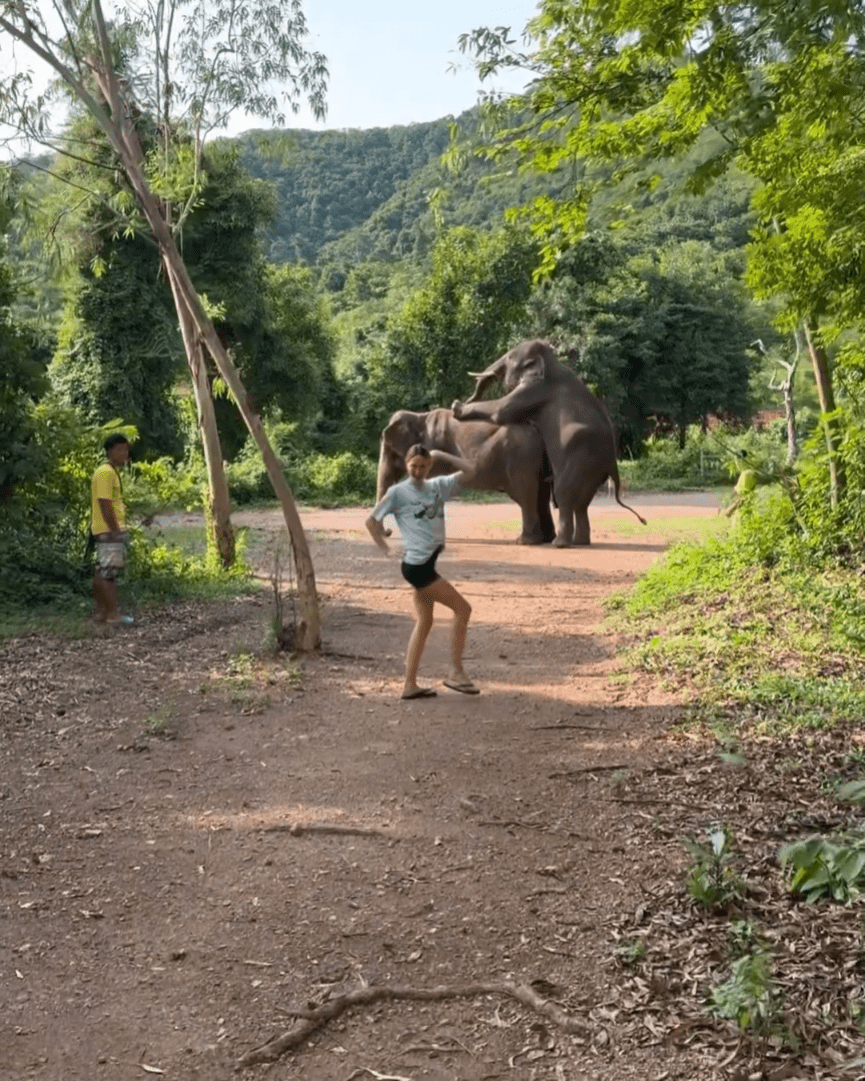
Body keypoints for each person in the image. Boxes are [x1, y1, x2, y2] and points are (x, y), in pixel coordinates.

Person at [366, 444, 480, 700]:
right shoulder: (398, 492)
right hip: (417, 567)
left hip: (427, 563)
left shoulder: (438, 486)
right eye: (412, 466)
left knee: (425, 621)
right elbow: (371, 521)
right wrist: (384, 549)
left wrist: (441, 455)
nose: (417, 471)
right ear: (406, 466)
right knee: (463, 609)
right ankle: (455, 672)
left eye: (422, 466)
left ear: (429, 466)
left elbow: (472, 470)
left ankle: (410, 685)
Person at [91, 433, 133, 626]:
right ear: (110, 451)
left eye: (126, 449)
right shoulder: (106, 472)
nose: (125, 454)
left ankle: (102, 612)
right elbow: (105, 502)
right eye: (121, 449)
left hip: (104, 530)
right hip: (109, 531)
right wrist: (116, 529)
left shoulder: (106, 472)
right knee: (109, 574)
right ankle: (113, 615)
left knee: (102, 571)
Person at [724, 450, 758, 518]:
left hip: (747, 475)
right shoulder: (746, 465)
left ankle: (730, 511)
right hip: (747, 475)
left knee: (742, 499)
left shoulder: (744, 466)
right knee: (745, 501)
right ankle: (732, 511)